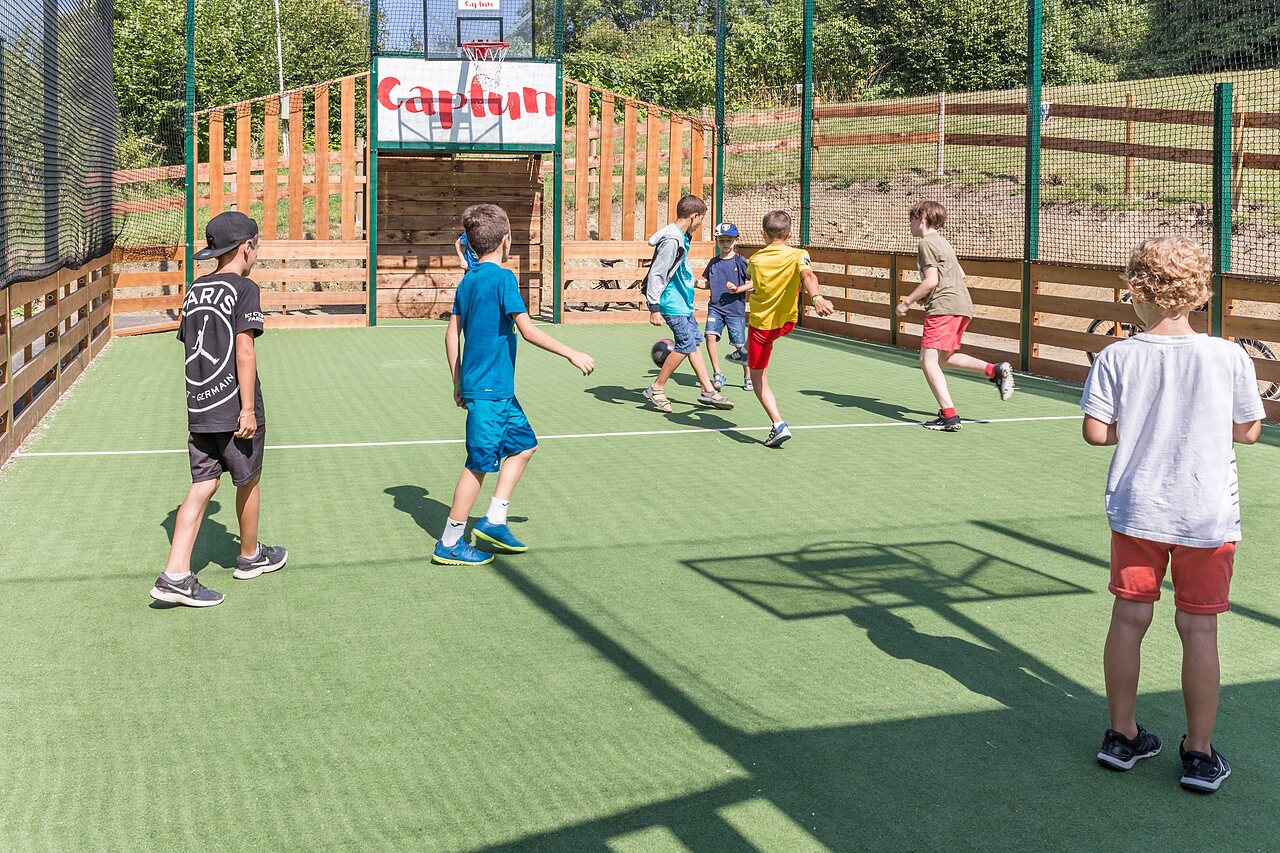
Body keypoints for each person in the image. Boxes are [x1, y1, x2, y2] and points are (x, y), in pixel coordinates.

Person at [1083, 235, 1265, 793]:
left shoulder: (1117, 356)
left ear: (1136, 291)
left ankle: (1121, 735)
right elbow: (1249, 430)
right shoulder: (1228, 355)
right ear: (1200, 293)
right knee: (1199, 628)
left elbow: (1096, 433)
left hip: (1138, 510)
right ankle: (1199, 753)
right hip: (1206, 516)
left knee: (1128, 620)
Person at [435, 204, 596, 566]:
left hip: (495, 391)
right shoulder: (503, 278)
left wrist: (457, 380)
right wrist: (570, 352)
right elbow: (528, 329)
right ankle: (449, 542)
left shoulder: (468, 280)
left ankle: (494, 519)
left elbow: (450, 336)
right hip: (490, 392)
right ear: (506, 241)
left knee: (524, 446)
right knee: (477, 465)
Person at [150, 211, 288, 607]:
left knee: (203, 484)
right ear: (247, 247)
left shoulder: (194, 290)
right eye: (256, 246)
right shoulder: (244, 289)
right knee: (248, 480)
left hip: (200, 407)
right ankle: (249, 557)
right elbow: (244, 350)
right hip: (233, 407)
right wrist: (247, 409)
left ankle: (175, 573)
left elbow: (190, 342)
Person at [896, 200, 1014, 431]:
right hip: (961, 305)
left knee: (927, 360)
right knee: (943, 358)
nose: (909, 224)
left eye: (911, 219)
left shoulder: (926, 243)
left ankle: (949, 416)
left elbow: (932, 280)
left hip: (944, 307)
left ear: (921, 218)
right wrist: (928, 295)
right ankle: (994, 370)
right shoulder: (943, 242)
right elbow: (959, 273)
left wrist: (907, 301)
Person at [738, 210, 834, 447]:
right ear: (790, 233)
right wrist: (817, 298)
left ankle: (778, 424)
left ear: (763, 234)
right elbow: (808, 276)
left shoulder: (756, 260)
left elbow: (756, 286)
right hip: (787, 322)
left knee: (758, 378)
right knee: (760, 358)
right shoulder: (799, 255)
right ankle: (746, 354)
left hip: (761, 327)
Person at [641, 194, 734, 413]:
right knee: (684, 344)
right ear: (694, 216)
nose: (701, 223)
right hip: (671, 302)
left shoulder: (681, 235)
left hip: (683, 301)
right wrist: (654, 307)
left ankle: (707, 390)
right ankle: (656, 387)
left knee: (693, 342)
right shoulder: (673, 240)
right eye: (701, 218)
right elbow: (657, 273)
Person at [701, 222, 751, 391]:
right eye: (721, 240)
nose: (725, 243)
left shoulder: (741, 261)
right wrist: (692, 283)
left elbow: (753, 283)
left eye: (729, 240)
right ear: (717, 241)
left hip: (735, 310)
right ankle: (718, 374)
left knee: (740, 345)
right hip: (715, 308)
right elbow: (708, 283)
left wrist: (738, 289)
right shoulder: (713, 262)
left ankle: (748, 376)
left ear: (736, 240)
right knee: (709, 336)